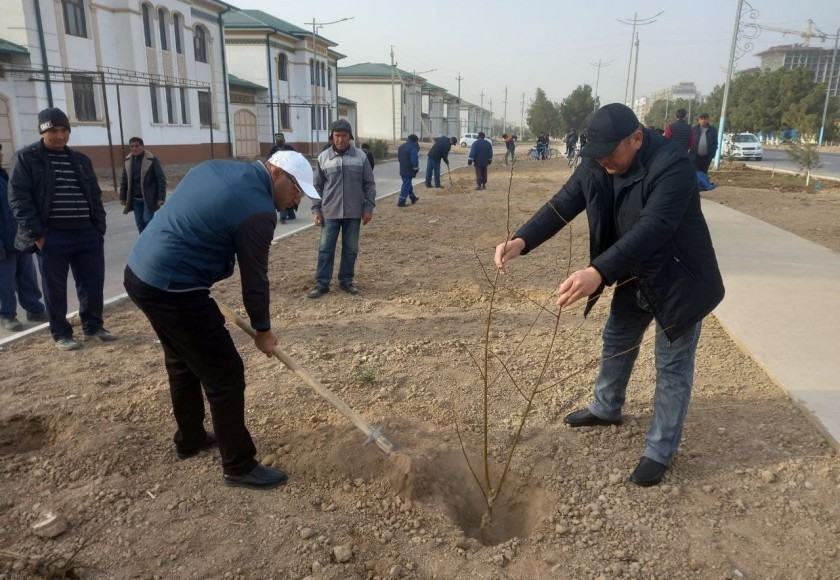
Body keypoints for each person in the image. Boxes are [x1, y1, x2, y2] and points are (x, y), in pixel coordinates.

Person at [494, 103, 724, 487]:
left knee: (672, 367)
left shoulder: (672, 165)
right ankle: (606, 407)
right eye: (596, 157)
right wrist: (521, 239)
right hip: (632, 273)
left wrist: (598, 271)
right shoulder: (599, 161)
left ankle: (660, 449)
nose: (602, 163)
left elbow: (654, 227)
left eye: (609, 155)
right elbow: (562, 202)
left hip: (679, 278)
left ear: (636, 138)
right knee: (616, 339)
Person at [124, 150, 319, 489]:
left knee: (182, 360)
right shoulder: (259, 210)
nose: (297, 198)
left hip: (140, 274)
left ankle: (191, 438)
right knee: (225, 373)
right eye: (296, 188)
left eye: (303, 193)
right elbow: (255, 279)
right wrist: (263, 330)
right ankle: (238, 465)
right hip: (174, 288)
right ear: (275, 174)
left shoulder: (217, 167)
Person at [9, 108, 116, 351]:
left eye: (64, 130)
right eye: (53, 131)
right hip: (52, 236)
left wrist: (98, 227)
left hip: (87, 234)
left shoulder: (79, 160)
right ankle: (60, 333)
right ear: (42, 131)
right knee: (54, 288)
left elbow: (95, 196)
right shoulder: (27, 159)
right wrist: (37, 234)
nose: (59, 136)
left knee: (92, 283)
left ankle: (93, 326)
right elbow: (18, 198)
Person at [308, 119, 376, 299]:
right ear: (332, 137)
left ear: (350, 137)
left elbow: (369, 184)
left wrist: (368, 207)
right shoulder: (323, 158)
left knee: (351, 248)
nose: (340, 139)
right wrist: (316, 210)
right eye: (337, 136)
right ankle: (322, 284)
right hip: (329, 211)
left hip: (354, 212)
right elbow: (317, 187)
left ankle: (346, 281)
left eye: (344, 136)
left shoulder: (360, 157)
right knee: (325, 248)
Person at [1, 143, 47, 331]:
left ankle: (34, 309)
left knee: (27, 277)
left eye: (0, 152)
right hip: (2, 244)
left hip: (19, 239)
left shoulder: (5, 176)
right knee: (5, 282)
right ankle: (7, 315)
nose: (1, 155)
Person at [119, 137, 166, 234]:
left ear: (142, 146)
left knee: (147, 220)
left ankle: (151, 240)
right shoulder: (128, 160)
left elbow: (160, 179)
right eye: (132, 146)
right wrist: (122, 197)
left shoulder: (152, 159)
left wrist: (161, 197)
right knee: (140, 223)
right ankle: (143, 243)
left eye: (137, 146)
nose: (134, 148)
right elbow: (124, 179)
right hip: (135, 198)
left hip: (149, 197)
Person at [267, 133, 298, 222]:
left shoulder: (289, 148)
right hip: (279, 175)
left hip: (289, 174)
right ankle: (283, 215)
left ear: (284, 140)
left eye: (280, 138)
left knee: (289, 194)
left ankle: (291, 213)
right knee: (282, 194)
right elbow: (269, 160)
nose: (279, 140)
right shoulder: (273, 149)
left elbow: (296, 157)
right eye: (277, 139)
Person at [397, 134, 420, 206]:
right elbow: (414, 160)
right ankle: (401, 201)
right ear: (416, 141)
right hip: (409, 169)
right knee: (406, 184)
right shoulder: (413, 148)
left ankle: (413, 197)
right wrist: (416, 168)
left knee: (407, 183)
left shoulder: (401, 147)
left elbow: (399, 158)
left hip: (402, 168)